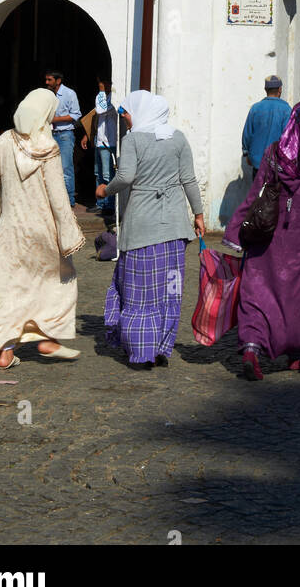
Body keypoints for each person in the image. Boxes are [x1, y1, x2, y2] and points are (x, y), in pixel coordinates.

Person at [223, 100, 300, 380]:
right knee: (296, 299)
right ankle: (295, 354)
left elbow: (255, 196)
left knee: (257, 293)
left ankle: (252, 349)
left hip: (266, 239)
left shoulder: (273, 152)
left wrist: (235, 230)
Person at [0, 88, 84, 368]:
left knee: (9, 289)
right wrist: (69, 233)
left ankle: (6, 351)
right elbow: (58, 197)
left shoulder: (5, 140)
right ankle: (47, 338)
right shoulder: (49, 147)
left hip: (11, 230)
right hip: (42, 230)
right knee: (56, 284)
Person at [98, 90, 204, 369]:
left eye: (127, 113)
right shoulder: (178, 138)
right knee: (169, 290)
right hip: (174, 229)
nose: (126, 119)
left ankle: (141, 349)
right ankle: (160, 348)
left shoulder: (133, 140)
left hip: (142, 229)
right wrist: (199, 214)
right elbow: (189, 180)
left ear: (140, 111)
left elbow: (126, 177)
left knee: (138, 289)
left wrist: (105, 190)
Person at [80, 74, 119, 218]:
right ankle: (101, 203)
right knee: (99, 174)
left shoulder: (114, 97)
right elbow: (97, 115)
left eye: (101, 83)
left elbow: (101, 110)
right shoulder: (100, 97)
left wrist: (102, 91)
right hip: (99, 141)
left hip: (109, 142)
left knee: (108, 175)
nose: (100, 86)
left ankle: (109, 204)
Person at [44, 69, 81, 207]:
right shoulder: (47, 94)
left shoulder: (69, 94)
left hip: (65, 135)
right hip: (50, 134)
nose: (46, 82)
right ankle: (54, 200)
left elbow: (76, 115)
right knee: (50, 168)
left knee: (66, 168)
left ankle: (69, 200)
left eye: (49, 80)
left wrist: (55, 119)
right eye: (46, 79)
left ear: (58, 81)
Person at [242, 76, 292, 172]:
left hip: (257, 163)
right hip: (277, 164)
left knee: (258, 182)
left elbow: (247, 134)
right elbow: (289, 138)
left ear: (265, 89)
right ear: (280, 89)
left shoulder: (255, 108)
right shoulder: (286, 110)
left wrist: (246, 153)